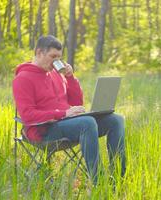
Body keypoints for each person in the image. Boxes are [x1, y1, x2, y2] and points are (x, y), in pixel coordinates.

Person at [12, 35, 126, 183]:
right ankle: (99, 182)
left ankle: (118, 178)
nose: (56, 62)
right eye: (53, 56)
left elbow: (76, 102)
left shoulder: (56, 74)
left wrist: (71, 77)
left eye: (59, 57)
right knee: (87, 123)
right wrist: (63, 113)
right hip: (43, 131)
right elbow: (28, 115)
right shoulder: (23, 78)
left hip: (66, 123)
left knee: (116, 120)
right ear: (39, 53)